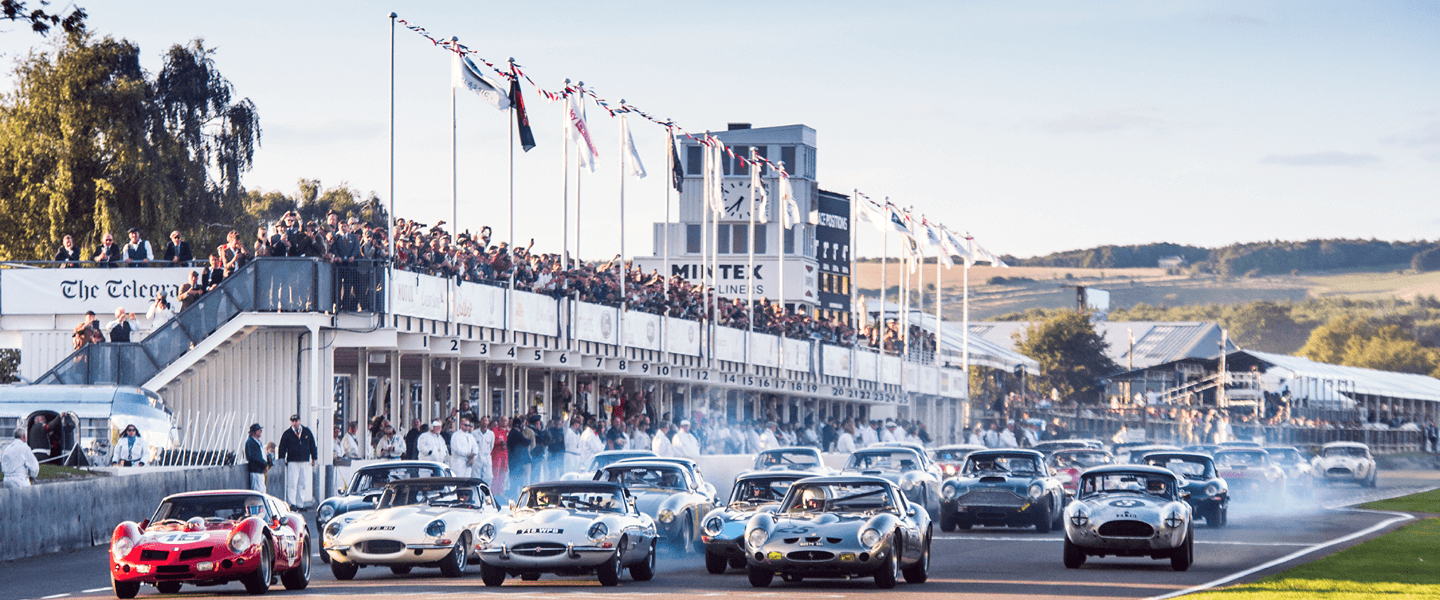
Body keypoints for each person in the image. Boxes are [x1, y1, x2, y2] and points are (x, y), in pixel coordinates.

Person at [276, 414, 318, 509]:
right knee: (292, 482)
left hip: (304, 460)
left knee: (302, 483)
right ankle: (292, 503)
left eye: (296, 421)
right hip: (292, 461)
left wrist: (314, 457)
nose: (295, 423)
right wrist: (281, 459)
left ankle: (300, 503)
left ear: (299, 421)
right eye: (293, 421)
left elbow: (312, 445)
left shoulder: (306, 432)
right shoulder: (287, 434)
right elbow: (282, 447)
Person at [245, 423, 270, 492]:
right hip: (256, 471)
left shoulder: (257, 442)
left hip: (260, 470)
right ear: (254, 432)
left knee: (262, 489)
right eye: (259, 430)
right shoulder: (251, 442)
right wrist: (264, 464)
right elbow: (254, 457)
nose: (260, 432)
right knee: (257, 491)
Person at [475, 416, 495, 483]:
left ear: (488, 422)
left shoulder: (491, 434)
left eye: (486, 420)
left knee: (488, 478)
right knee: (476, 479)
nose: (484, 422)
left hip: (487, 458)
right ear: (480, 422)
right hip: (477, 459)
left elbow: (491, 446)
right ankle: (477, 493)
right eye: (483, 420)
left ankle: (486, 493)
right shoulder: (474, 433)